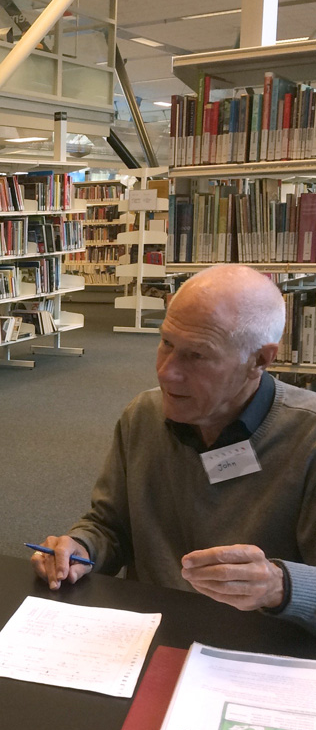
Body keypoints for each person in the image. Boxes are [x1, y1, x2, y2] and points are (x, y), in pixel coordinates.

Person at [31, 264, 316, 634]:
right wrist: (82, 548)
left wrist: (279, 585)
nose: (166, 372)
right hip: (148, 635)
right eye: (166, 342)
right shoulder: (144, 415)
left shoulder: (306, 436)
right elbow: (110, 526)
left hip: (255, 652)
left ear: (260, 360)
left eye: (197, 356)